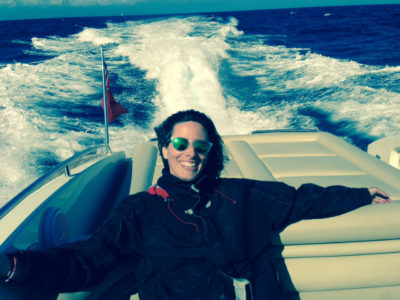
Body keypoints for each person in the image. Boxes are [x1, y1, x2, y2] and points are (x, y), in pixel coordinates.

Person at [0, 109, 392, 299]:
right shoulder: (139, 210)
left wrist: (361, 195)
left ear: (210, 152)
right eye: (180, 144)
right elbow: (89, 260)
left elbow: (302, 199)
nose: (191, 154)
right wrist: (17, 266)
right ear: (164, 149)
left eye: (201, 146)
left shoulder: (239, 194)